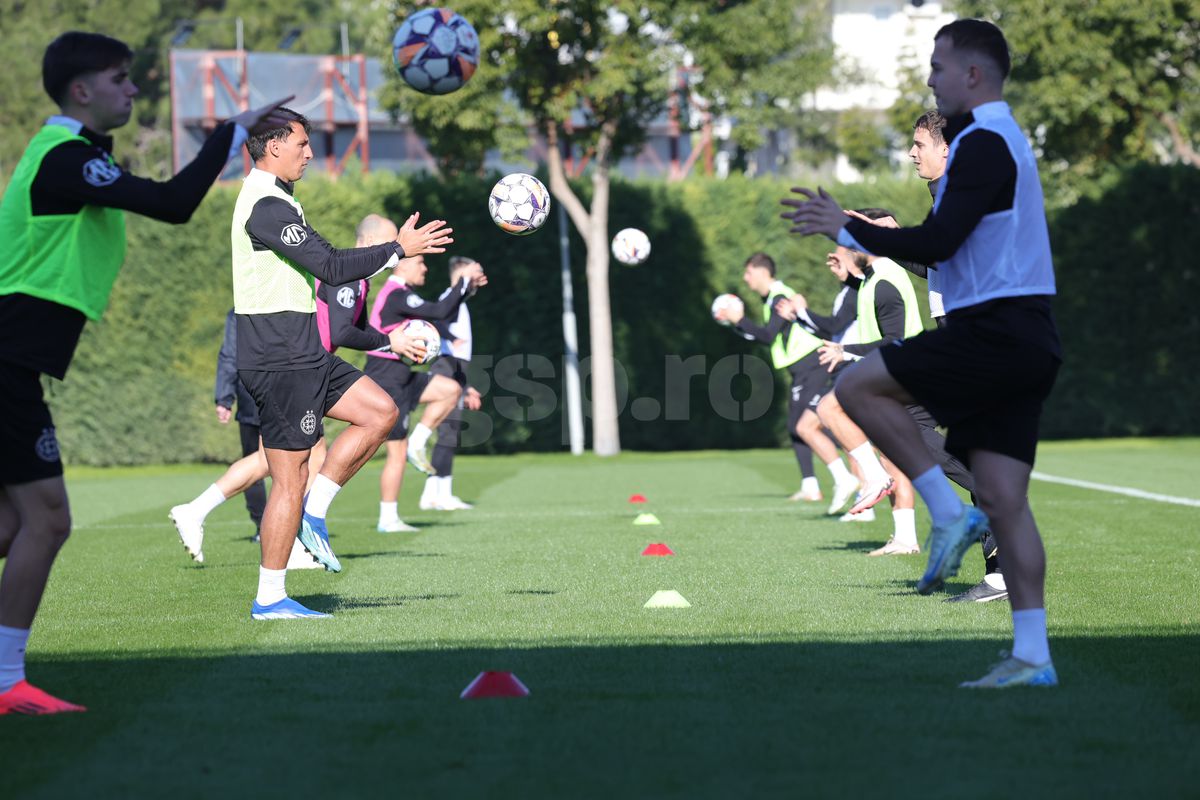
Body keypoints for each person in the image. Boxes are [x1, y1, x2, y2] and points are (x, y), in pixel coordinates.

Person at [0, 31, 292, 714]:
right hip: (5, 362)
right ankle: (6, 683)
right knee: (47, 520)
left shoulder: (70, 157)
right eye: (120, 79)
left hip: (12, 361)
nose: (133, 90)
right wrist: (231, 133)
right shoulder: (65, 159)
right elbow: (172, 203)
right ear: (82, 90)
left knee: (12, 527)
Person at [783, 19, 1061, 687]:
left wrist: (851, 227)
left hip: (994, 333)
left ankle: (943, 510)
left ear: (973, 74)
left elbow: (938, 243)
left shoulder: (986, 143)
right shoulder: (996, 142)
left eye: (939, 65)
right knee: (1005, 496)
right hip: (1028, 335)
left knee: (857, 390)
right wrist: (881, 236)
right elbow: (950, 243)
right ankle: (1033, 657)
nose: (931, 77)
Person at [232, 108, 452, 620]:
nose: (310, 153)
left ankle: (316, 512)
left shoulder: (281, 200)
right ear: (274, 147)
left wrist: (388, 336)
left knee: (381, 412)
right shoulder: (263, 205)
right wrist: (396, 249)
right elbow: (330, 265)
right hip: (278, 356)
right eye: (303, 144)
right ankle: (270, 597)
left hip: (302, 349)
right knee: (289, 478)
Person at [168, 214, 418, 565]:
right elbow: (344, 333)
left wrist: (392, 343)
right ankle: (294, 540)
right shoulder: (348, 278)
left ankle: (200, 511)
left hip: (308, 371)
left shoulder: (358, 281)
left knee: (279, 461)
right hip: (296, 370)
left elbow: (356, 328)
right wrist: (390, 340)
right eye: (391, 242)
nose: (397, 252)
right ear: (367, 242)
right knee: (291, 462)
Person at [714, 254, 859, 512]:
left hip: (812, 364)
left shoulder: (780, 296)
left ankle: (847, 474)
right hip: (800, 368)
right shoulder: (771, 298)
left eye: (748, 273)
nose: (746, 279)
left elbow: (769, 335)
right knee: (796, 426)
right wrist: (740, 325)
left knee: (806, 424)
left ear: (762, 272)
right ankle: (811, 486)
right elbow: (765, 336)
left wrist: (739, 320)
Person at [364, 253, 486, 533]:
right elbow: (440, 311)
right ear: (403, 265)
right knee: (396, 452)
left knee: (451, 389)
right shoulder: (396, 295)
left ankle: (419, 441)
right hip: (386, 377)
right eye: (420, 263)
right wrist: (462, 282)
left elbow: (443, 314)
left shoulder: (404, 295)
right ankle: (388, 518)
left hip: (404, 375)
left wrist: (465, 289)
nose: (425, 268)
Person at [420, 256, 484, 512]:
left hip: (455, 368)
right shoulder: (450, 296)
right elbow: (437, 321)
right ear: (461, 273)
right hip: (447, 365)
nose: (480, 275)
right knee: (447, 432)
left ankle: (439, 492)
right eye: (475, 270)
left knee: (450, 432)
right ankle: (434, 494)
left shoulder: (459, 300)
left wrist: (466, 386)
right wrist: (451, 337)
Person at [215, 309, 267, 541]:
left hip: (250, 395)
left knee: (253, 462)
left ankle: (263, 526)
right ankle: (286, 524)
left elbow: (229, 355)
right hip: (282, 391)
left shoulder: (238, 312)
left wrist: (224, 399)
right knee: (291, 461)